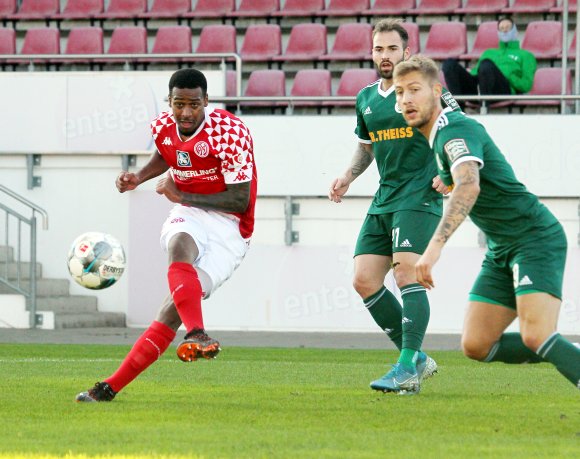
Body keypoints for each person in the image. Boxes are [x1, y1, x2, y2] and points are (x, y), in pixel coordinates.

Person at [393, 55, 580, 390]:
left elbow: (469, 184)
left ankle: (566, 356)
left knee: (536, 334)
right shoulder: (440, 137)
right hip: (501, 249)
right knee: (477, 344)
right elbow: (459, 177)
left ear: (437, 91)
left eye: (414, 90)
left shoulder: (454, 130)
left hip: (534, 237)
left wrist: (433, 248)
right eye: (399, 92)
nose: (406, 99)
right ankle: (566, 352)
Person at [76, 68, 258, 402]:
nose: (186, 113)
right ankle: (196, 335)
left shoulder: (229, 132)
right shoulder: (162, 125)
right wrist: (139, 177)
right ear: (169, 102)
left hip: (231, 228)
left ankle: (114, 384)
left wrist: (182, 195)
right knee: (179, 247)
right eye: (179, 104)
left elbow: (239, 199)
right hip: (189, 213)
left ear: (206, 101)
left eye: (193, 105)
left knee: (169, 311)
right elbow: (167, 152)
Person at [328, 19, 458, 395]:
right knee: (364, 279)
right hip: (384, 197)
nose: (384, 56)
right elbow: (366, 146)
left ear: (407, 51)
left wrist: (448, 171)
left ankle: (405, 367)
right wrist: (348, 176)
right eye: (378, 49)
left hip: (420, 195)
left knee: (407, 277)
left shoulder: (428, 89)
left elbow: (457, 126)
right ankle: (416, 358)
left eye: (392, 49)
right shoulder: (366, 97)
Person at [442, 17, 536, 110]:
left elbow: (526, 85)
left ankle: (484, 107)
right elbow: (477, 73)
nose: (504, 31)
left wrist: (510, 75)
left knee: (487, 65)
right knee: (449, 64)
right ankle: (457, 110)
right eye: (501, 28)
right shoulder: (488, 52)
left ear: (515, 31)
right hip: (480, 87)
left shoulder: (526, 55)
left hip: (503, 90)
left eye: (508, 27)